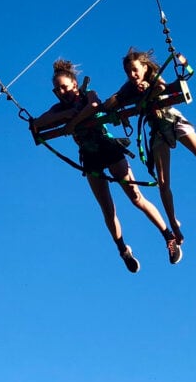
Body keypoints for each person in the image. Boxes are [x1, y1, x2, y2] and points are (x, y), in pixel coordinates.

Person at [87, 48, 196, 252]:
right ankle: (173, 223)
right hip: (158, 132)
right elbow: (111, 102)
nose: (132, 75)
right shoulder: (129, 88)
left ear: (144, 67)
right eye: (128, 72)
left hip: (172, 121)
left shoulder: (153, 78)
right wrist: (119, 104)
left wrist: (149, 89)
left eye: (134, 70)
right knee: (163, 183)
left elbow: (162, 88)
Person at [31, 59, 184, 271]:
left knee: (136, 197)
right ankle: (123, 250)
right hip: (90, 156)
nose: (61, 92)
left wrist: (72, 123)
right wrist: (65, 115)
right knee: (107, 208)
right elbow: (39, 122)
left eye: (64, 87)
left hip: (108, 148)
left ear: (74, 84)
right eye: (57, 89)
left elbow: (94, 106)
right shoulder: (58, 108)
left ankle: (168, 236)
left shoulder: (87, 95)